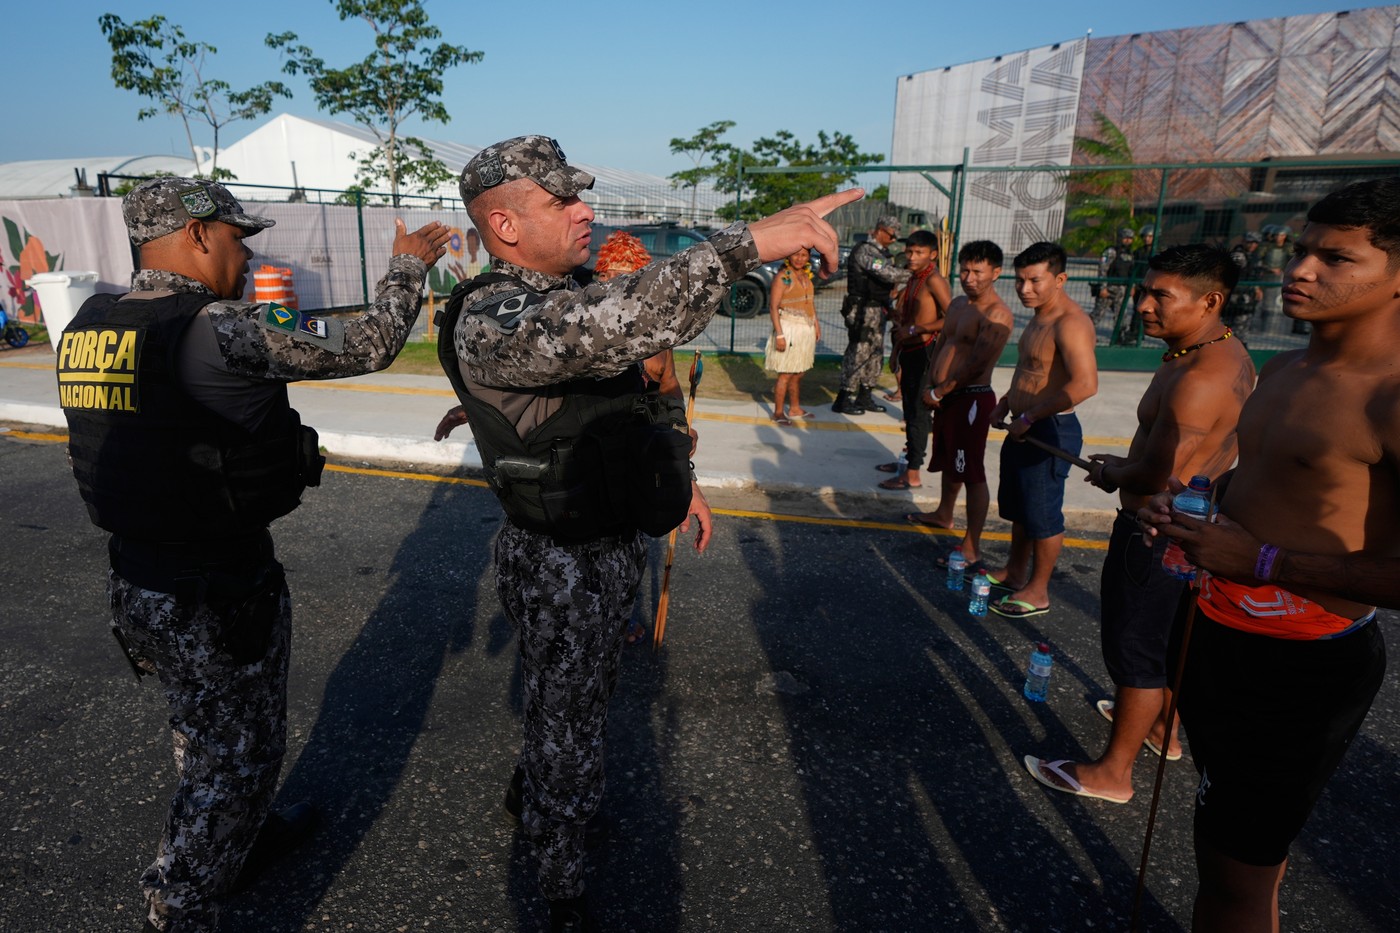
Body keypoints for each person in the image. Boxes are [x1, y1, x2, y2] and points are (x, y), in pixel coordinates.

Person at [437, 135, 857, 931]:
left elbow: (642, 379)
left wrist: (683, 479)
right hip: (558, 556)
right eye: (560, 201)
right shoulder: (496, 311)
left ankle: (545, 793)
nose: (584, 209)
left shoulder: (576, 289)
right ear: (505, 223)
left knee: (584, 699)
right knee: (565, 720)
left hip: (611, 537)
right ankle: (559, 882)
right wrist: (748, 243)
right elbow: (614, 319)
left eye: (579, 195)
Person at [54, 177, 450, 932]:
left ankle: (245, 838)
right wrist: (404, 268)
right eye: (238, 238)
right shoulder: (220, 326)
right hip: (214, 591)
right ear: (198, 235)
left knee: (199, 729)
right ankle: (180, 903)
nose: (245, 254)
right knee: (236, 761)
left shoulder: (89, 323)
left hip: (137, 583)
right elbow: (364, 343)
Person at [1138, 177, 1398, 933]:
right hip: (1218, 633)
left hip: (1299, 670)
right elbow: (1253, 489)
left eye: (1336, 259)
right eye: (1300, 251)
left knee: (1232, 879)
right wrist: (1193, 513)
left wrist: (1260, 562)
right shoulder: (1286, 368)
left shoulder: (1391, 394)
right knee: (1230, 855)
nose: (1300, 271)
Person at [1023, 245, 1254, 805]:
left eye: (1161, 296)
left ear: (1211, 301)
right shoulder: (1213, 353)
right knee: (1163, 645)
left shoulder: (1201, 377)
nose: (1144, 304)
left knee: (1136, 651)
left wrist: (1111, 471)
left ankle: (1113, 773)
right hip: (1183, 531)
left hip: (1156, 533)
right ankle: (1161, 728)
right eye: (1145, 290)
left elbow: (1160, 474)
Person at [984, 241, 1099, 618]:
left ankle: (1038, 590)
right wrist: (1006, 401)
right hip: (1023, 426)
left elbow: (1084, 385)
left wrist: (1030, 417)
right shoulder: (1038, 316)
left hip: (1050, 431)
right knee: (1019, 508)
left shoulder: (1071, 323)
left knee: (1043, 514)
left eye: (1035, 281)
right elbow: (1032, 373)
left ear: (1060, 279)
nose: (1024, 289)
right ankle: (1016, 572)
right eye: (1019, 281)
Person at [904, 240, 1013, 571]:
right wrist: (932, 385)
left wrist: (942, 391)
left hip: (971, 399)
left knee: (972, 471)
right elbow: (942, 345)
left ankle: (972, 546)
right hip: (945, 396)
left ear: (996, 272)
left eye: (977, 271)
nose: (969, 277)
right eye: (965, 270)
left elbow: (978, 363)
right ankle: (944, 513)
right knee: (952, 462)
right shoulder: (958, 305)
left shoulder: (997, 314)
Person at [875, 229, 951, 489]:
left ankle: (913, 474)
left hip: (925, 351)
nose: (912, 256)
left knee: (918, 415)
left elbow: (951, 318)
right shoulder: (913, 278)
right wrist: (896, 350)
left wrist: (920, 329)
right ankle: (906, 461)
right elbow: (904, 320)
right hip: (908, 351)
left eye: (919, 252)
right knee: (910, 411)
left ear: (933, 254)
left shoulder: (934, 280)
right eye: (909, 251)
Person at [833, 215, 911, 415]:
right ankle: (843, 398)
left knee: (876, 353)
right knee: (858, 353)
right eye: (892, 235)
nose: (893, 240)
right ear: (880, 230)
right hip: (863, 310)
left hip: (879, 309)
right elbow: (887, 273)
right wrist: (913, 274)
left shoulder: (882, 253)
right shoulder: (865, 251)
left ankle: (864, 396)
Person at [765, 246, 821, 425]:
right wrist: (780, 335)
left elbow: (810, 303)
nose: (799, 258)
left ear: (808, 258)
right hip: (788, 328)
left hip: (805, 329)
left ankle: (795, 408)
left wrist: (816, 325)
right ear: (789, 256)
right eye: (796, 254)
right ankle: (779, 412)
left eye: (804, 255)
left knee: (799, 372)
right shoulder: (783, 277)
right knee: (786, 373)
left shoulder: (806, 276)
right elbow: (773, 307)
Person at [1092, 226, 1136, 335]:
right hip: (1108, 289)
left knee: (1121, 316)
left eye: (1130, 238)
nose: (1127, 240)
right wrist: (1102, 288)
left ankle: (1119, 337)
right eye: (1125, 237)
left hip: (1122, 290)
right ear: (1120, 238)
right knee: (1097, 314)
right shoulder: (1111, 251)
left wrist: (1132, 287)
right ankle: (1084, 334)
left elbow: (1131, 272)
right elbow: (1102, 270)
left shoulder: (1130, 255)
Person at [1224, 230, 1263, 337]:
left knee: (1243, 322)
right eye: (1250, 242)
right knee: (1229, 323)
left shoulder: (1254, 256)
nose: (1252, 245)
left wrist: (1257, 288)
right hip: (1236, 294)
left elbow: (1255, 274)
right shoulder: (1238, 255)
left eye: (1255, 243)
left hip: (1247, 294)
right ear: (1244, 241)